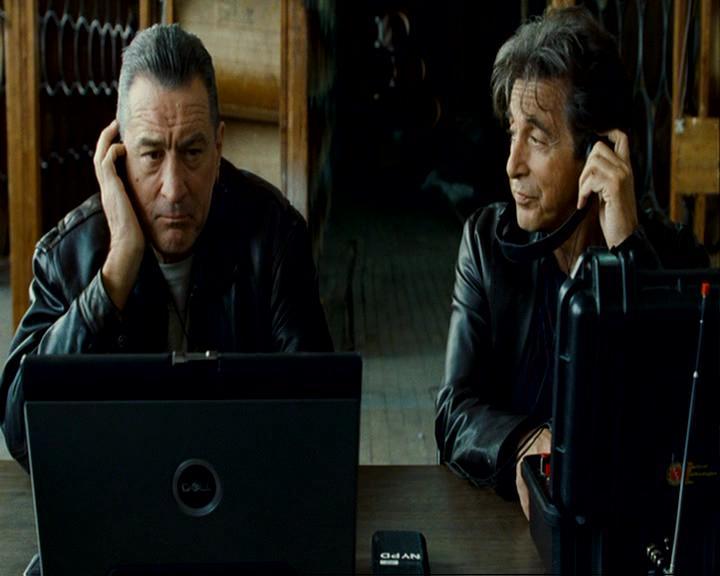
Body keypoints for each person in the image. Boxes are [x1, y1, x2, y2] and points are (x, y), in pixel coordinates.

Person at [0, 24, 332, 470]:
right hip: (120, 488)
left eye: (192, 153)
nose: (174, 189)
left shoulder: (275, 237)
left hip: (240, 485)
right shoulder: (68, 255)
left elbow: (318, 416)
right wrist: (114, 274)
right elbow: (21, 436)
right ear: (118, 157)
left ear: (218, 147)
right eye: (152, 155)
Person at [434, 7, 708, 520]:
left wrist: (627, 253)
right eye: (512, 132)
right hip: (512, 526)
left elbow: (682, 423)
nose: (512, 164)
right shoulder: (488, 245)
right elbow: (454, 411)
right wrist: (527, 442)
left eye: (537, 139)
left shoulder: (671, 260)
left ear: (597, 150)